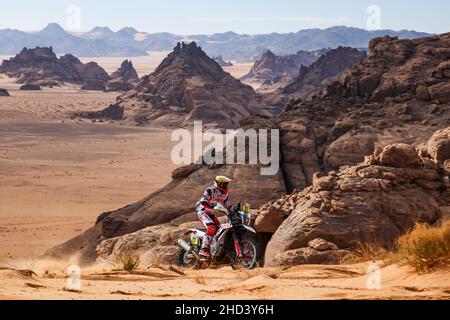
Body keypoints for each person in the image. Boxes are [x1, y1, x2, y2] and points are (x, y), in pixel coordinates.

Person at [195, 176, 233, 259]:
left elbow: (228, 205)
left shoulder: (225, 194)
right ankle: (204, 249)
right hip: (202, 210)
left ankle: (213, 249)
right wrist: (214, 207)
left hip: (211, 213)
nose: (224, 186)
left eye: (226, 184)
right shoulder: (210, 190)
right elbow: (203, 201)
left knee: (219, 230)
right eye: (223, 184)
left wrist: (234, 211)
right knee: (212, 227)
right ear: (217, 183)